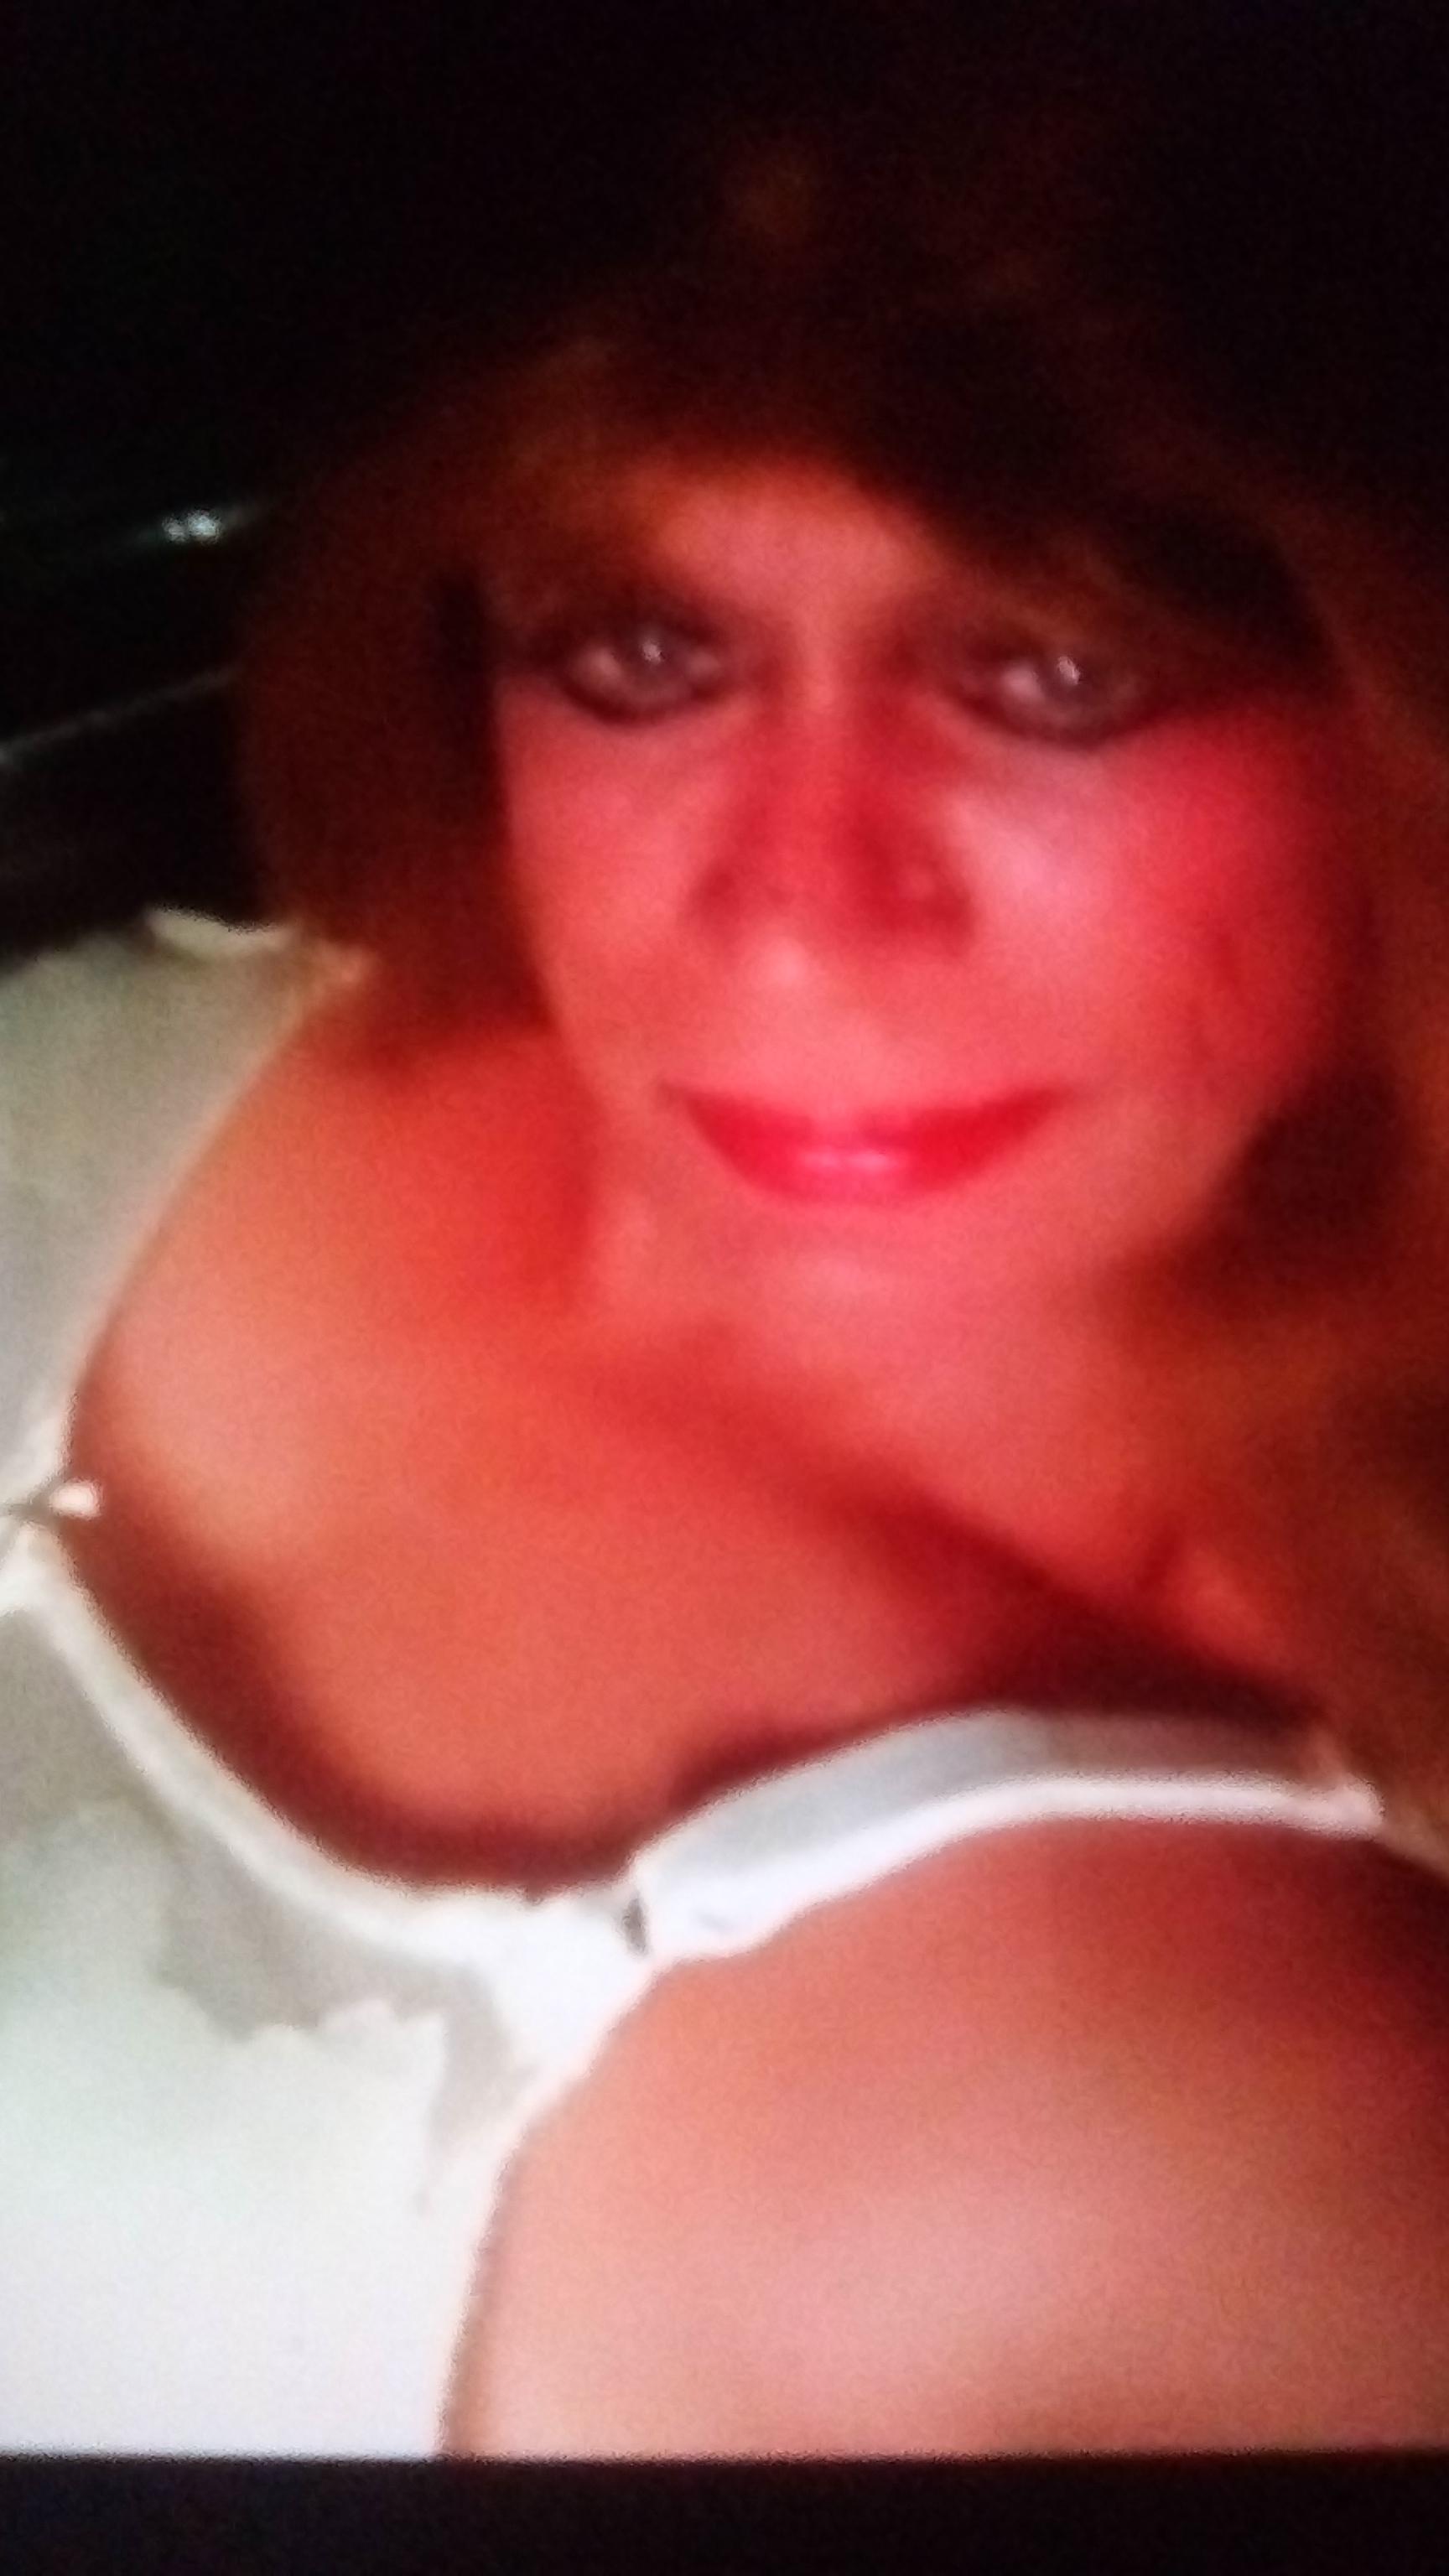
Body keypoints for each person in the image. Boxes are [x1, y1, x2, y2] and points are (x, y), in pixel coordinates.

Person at [6, 7, 1449, 2454]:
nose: (792, 914)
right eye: (648, 653)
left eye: (1054, 671)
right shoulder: (193, 1015)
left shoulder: (1249, 2173)